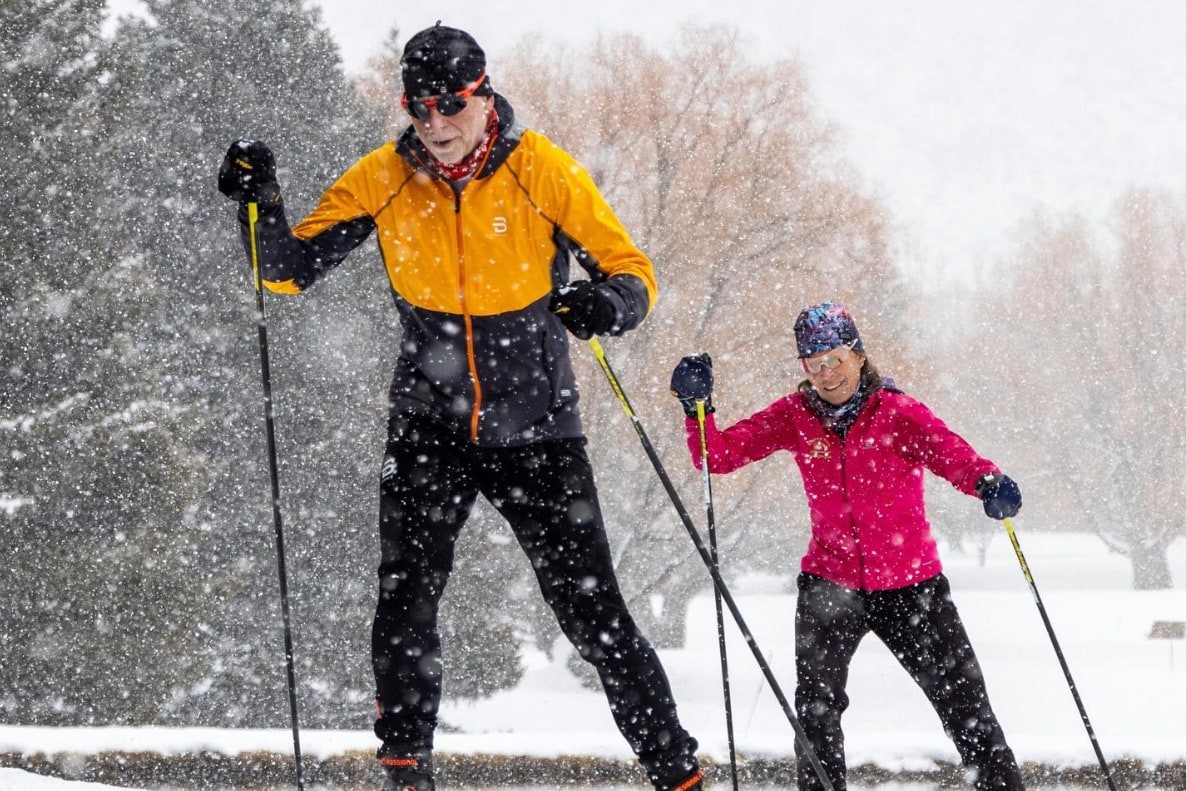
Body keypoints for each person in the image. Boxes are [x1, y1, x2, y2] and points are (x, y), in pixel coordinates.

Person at [217, 22, 703, 791]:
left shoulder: (539, 168)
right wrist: (261, 201)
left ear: (482, 94)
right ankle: (406, 770)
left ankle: (675, 770)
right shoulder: (381, 176)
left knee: (592, 613)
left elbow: (633, 273)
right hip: (429, 422)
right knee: (405, 597)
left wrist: (606, 304)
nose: (435, 123)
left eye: (450, 103)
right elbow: (285, 272)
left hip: (537, 424)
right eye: (419, 106)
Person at [668, 302, 1025, 791]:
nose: (827, 372)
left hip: (911, 584)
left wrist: (987, 481)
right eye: (813, 363)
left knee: (965, 706)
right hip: (829, 584)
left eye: (835, 358)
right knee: (816, 714)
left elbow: (949, 452)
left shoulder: (897, 413)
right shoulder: (795, 416)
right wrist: (697, 410)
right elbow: (720, 456)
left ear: (857, 355)